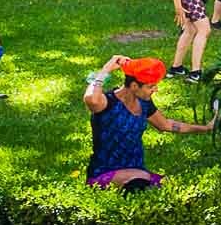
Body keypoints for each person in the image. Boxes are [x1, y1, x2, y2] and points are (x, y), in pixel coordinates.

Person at [81, 55, 209, 188]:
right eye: (151, 86)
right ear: (134, 86)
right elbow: (91, 99)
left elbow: (166, 125)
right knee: (147, 182)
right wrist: (106, 69)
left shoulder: (144, 102)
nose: (155, 89)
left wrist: (205, 128)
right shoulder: (108, 102)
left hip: (137, 170)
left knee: (167, 185)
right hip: (104, 173)